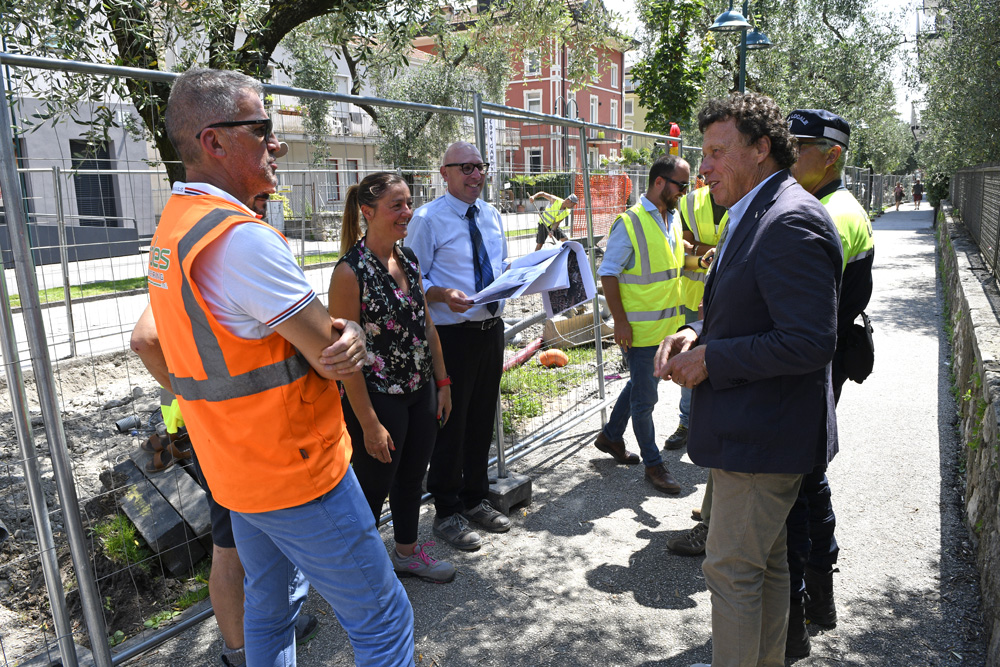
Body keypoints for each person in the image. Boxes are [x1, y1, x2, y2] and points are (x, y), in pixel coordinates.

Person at [149, 68, 413, 666]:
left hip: (237, 472)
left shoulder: (175, 230)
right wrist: (354, 338)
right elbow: (333, 352)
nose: (278, 143)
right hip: (299, 472)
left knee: (271, 609)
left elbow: (150, 339)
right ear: (214, 142)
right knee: (384, 618)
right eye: (262, 129)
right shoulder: (242, 240)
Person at [655, 93, 842, 667]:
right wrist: (695, 333)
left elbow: (811, 340)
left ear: (762, 150)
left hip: (764, 438)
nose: (703, 167)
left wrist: (713, 360)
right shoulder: (754, 210)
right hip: (758, 430)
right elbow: (748, 308)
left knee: (731, 571)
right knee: (766, 565)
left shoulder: (790, 219)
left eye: (716, 152)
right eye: (702, 152)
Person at [130, 305, 320, 667]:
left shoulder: (190, 259)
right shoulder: (195, 256)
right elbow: (144, 340)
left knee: (245, 538)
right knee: (231, 542)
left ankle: (261, 639)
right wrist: (203, 400)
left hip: (225, 425)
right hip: (225, 429)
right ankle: (248, 650)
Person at [328, 172, 455, 583]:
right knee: (371, 486)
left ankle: (405, 553)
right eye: (396, 205)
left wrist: (443, 383)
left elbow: (427, 326)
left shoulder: (408, 259)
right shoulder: (350, 273)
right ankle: (359, 573)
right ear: (368, 212)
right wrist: (368, 423)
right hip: (379, 397)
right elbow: (346, 359)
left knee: (412, 476)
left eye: (408, 203)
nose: (407, 212)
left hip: (420, 391)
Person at [785, 108, 875, 657]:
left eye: (801, 147)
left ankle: (802, 605)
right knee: (809, 478)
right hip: (823, 361)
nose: (790, 154)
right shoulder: (826, 204)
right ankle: (819, 597)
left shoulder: (831, 214)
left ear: (832, 154)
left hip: (813, 366)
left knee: (799, 485)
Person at [405, 142, 511, 552]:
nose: (476, 175)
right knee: (450, 422)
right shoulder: (428, 220)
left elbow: (498, 267)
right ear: (444, 173)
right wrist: (442, 293)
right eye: (466, 168)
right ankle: (446, 510)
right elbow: (411, 278)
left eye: (480, 167)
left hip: (490, 330)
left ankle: (474, 498)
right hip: (450, 337)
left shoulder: (493, 215)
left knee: (482, 418)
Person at [592, 155, 697, 494]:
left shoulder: (672, 216)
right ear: (659, 182)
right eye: (680, 185)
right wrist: (620, 322)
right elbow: (608, 272)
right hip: (638, 332)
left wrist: (696, 257)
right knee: (644, 402)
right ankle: (654, 465)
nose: (685, 191)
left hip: (667, 329)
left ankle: (610, 437)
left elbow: (670, 261)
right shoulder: (630, 222)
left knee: (639, 386)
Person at [664, 181, 728, 453]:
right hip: (693, 297)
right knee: (689, 361)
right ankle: (687, 423)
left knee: (723, 359)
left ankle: (721, 425)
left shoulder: (743, 192)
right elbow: (685, 244)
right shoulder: (690, 201)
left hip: (728, 296)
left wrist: (708, 247)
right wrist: (717, 248)